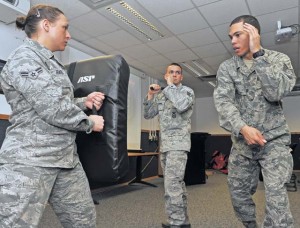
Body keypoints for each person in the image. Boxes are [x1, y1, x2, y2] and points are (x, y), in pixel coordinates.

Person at [0, 4, 105, 228]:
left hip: (65, 160)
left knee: (83, 221)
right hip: (30, 160)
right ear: (46, 25)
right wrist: (89, 123)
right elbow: (53, 108)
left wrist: (83, 102)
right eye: (65, 28)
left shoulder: (52, 63)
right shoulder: (25, 59)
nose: (69, 35)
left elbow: (56, 101)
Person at [213, 15, 296, 228]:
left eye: (238, 35)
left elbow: (275, 92)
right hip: (242, 144)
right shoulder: (227, 68)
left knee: (277, 197)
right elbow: (223, 103)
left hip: (274, 142)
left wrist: (259, 55)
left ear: (254, 33)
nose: (232, 41)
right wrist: (242, 128)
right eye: (230, 36)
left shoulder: (279, 60)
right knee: (238, 194)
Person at [143, 63, 195, 228]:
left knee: (172, 186)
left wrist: (170, 86)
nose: (174, 75)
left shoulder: (187, 92)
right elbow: (148, 114)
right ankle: (183, 221)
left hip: (178, 144)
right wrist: (150, 94)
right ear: (166, 74)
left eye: (177, 73)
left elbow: (180, 105)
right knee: (177, 184)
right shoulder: (162, 95)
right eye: (171, 72)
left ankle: (176, 223)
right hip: (165, 145)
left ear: (181, 77)